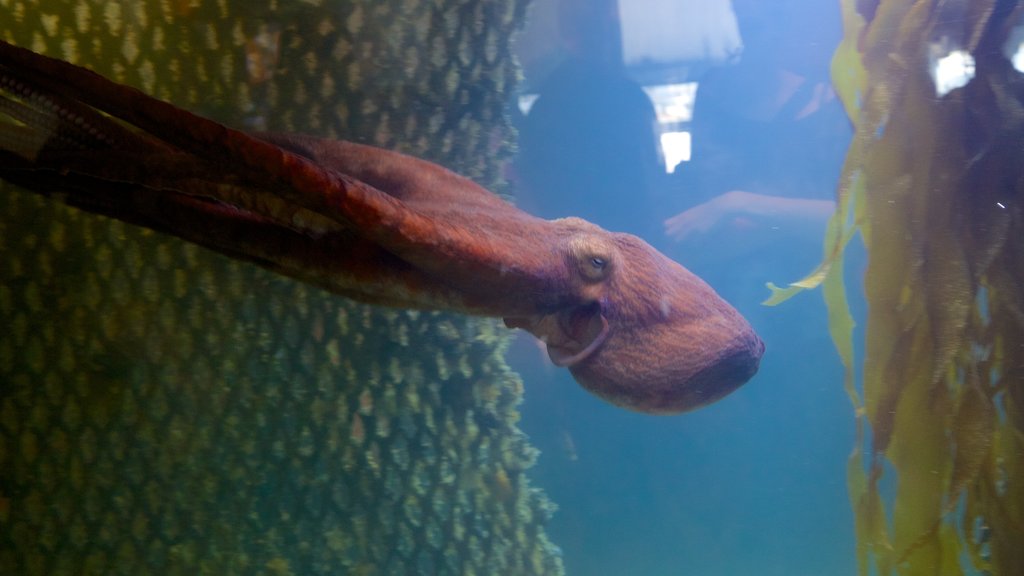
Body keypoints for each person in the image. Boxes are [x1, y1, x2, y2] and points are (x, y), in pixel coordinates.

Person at [663, 0, 851, 296]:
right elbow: (689, 231)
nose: (743, 41)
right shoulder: (710, 101)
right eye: (735, 28)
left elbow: (848, 218)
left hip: (811, 296)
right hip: (720, 295)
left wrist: (735, 204)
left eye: (753, 28)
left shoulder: (828, 103)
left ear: (779, 30)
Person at [513, 0, 663, 238]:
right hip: (623, 247)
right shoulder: (626, 96)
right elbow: (648, 194)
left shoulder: (546, 103)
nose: (613, 20)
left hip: (564, 247)